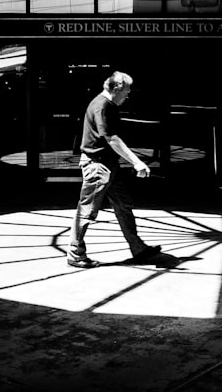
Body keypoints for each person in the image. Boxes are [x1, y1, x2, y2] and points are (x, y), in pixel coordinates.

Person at [66, 71, 161, 268]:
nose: (128, 95)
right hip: (98, 166)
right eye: (127, 90)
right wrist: (136, 161)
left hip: (105, 165)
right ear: (117, 88)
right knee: (87, 211)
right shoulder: (102, 106)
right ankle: (75, 253)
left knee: (123, 206)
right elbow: (111, 138)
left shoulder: (104, 104)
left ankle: (138, 248)